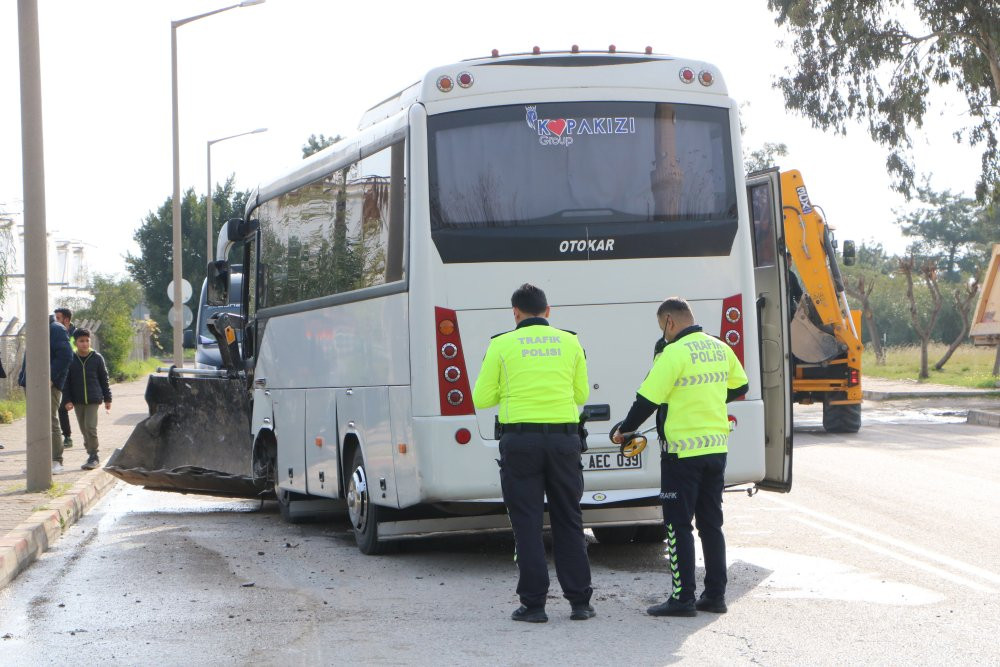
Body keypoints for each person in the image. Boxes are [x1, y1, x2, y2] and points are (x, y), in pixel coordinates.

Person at [612, 297, 748, 617]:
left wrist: (625, 430)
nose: (664, 334)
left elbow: (647, 399)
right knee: (711, 525)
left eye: (663, 327)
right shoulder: (718, 347)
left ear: (670, 322)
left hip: (681, 454)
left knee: (677, 526)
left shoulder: (673, 353)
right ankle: (715, 596)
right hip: (716, 449)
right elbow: (740, 386)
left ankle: (682, 598)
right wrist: (710, 397)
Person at [472, 283, 594, 623]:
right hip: (564, 442)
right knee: (568, 519)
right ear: (548, 311)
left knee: (526, 522)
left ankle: (534, 605)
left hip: (520, 443)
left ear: (515, 313)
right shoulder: (570, 341)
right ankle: (580, 603)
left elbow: (482, 399)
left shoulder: (501, 344)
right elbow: (581, 393)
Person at [18, 314, 74, 473]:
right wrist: (22, 378)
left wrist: (50, 378)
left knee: (50, 421)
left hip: (48, 386)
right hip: (31, 384)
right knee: (34, 423)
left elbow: (66, 356)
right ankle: (37, 461)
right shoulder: (36, 329)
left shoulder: (55, 329)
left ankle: (56, 461)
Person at [63, 329, 112, 470]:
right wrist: (67, 400)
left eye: (87, 340)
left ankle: (94, 455)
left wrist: (108, 398)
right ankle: (90, 451)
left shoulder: (97, 358)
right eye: (81, 341)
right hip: (77, 400)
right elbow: (66, 381)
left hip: (93, 398)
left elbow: (104, 379)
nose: (84, 344)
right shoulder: (71, 359)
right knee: (84, 429)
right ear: (76, 342)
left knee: (90, 427)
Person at [54, 307, 77, 448]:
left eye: (58, 318)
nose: (55, 321)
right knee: (62, 407)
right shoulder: (56, 333)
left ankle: (90, 436)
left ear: (66, 320)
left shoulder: (76, 335)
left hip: (76, 375)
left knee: (83, 407)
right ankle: (67, 436)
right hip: (64, 375)